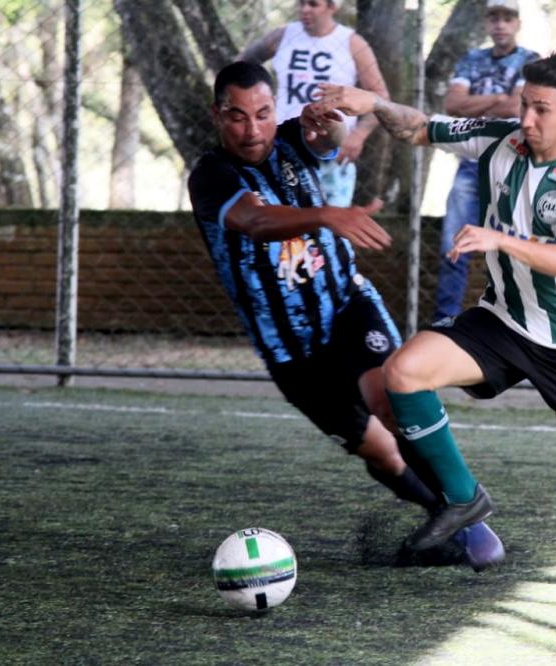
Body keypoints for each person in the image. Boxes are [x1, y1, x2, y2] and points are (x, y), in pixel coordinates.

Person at [313, 52, 556, 595]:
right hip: (502, 319)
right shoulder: (500, 139)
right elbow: (422, 128)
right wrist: (374, 104)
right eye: (524, 104)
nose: (527, 119)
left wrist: (499, 239)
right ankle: (464, 498)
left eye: (541, 109)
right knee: (403, 371)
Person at [187, 61, 503, 571]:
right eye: (237, 117)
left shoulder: (291, 137)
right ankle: (441, 515)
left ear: (275, 110)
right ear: (217, 116)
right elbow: (255, 220)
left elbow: (327, 138)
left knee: (389, 400)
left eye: (263, 113)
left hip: (346, 306)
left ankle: (471, 520)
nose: (252, 129)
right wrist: (331, 215)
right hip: (290, 349)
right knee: (380, 454)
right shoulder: (210, 175)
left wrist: (330, 120)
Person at [431, 0, 539, 326]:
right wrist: (497, 100)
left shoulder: (530, 61)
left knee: (517, 246)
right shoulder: (472, 58)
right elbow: (452, 103)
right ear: (487, 22)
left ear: (517, 23)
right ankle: (444, 322)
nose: (501, 25)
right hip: (471, 162)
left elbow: (518, 108)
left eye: (508, 18)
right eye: (495, 18)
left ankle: (520, 321)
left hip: (512, 164)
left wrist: (476, 105)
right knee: (455, 243)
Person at [237, 0, 388, 207]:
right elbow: (241, 67)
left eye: (313, 4)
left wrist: (358, 136)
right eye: (301, 3)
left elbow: (380, 96)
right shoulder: (283, 36)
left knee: (327, 229)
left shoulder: (352, 43)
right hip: (281, 144)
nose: (304, 9)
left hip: (330, 149)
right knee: (280, 224)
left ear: (332, 7)